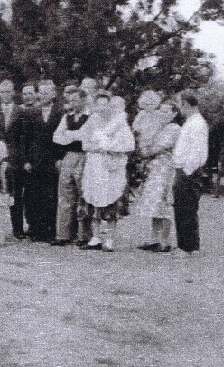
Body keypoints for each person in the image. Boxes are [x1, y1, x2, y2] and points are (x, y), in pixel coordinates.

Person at [79, 91, 135, 252]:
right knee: (92, 199)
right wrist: (97, 147)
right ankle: (96, 237)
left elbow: (129, 145)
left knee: (111, 201)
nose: (102, 108)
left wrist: (111, 148)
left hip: (112, 166)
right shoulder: (91, 121)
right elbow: (85, 144)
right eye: (99, 104)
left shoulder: (120, 123)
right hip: (94, 165)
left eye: (106, 104)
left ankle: (109, 239)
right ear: (95, 106)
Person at [134, 101, 182, 252]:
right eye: (161, 111)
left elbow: (158, 147)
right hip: (155, 168)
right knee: (155, 204)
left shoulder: (174, 128)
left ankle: (165, 240)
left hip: (167, 167)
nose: (163, 115)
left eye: (167, 112)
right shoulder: (159, 127)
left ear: (174, 113)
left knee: (165, 202)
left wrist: (147, 150)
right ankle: (155, 238)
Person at [22, 80, 62, 242]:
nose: (44, 95)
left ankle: (51, 230)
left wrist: (59, 158)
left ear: (53, 94)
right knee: (34, 195)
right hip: (35, 160)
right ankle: (36, 229)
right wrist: (26, 160)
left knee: (51, 195)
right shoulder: (31, 113)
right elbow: (25, 138)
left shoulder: (60, 113)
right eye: (42, 92)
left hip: (52, 160)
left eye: (48, 92)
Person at [51, 86, 90, 246]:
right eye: (70, 100)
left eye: (76, 100)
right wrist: (73, 136)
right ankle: (63, 235)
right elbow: (57, 137)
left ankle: (83, 235)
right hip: (69, 156)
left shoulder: (90, 116)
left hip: (85, 156)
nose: (73, 103)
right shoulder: (67, 117)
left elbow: (86, 136)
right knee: (65, 194)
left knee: (84, 195)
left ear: (83, 100)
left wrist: (69, 135)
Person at [172, 90, 209, 255]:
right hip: (184, 170)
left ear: (185, 104)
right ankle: (187, 245)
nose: (179, 108)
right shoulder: (191, 122)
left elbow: (197, 152)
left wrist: (186, 172)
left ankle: (188, 247)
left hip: (189, 172)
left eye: (180, 104)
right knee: (182, 208)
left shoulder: (197, 124)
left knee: (186, 208)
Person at [0, 79, 27, 238]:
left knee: (15, 193)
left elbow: (24, 137)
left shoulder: (21, 111)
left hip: (15, 157)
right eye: (2, 92)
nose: (5, 94)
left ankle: (17, 229)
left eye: (8, 91)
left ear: (13, 93)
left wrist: (22, 157)